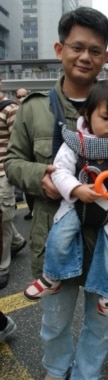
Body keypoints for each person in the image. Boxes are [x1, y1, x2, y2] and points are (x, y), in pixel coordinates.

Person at [5, 7, 108, 380]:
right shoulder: (33, 109)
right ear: (60, 48)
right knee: (55, 319)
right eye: (77, 47)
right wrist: (42, 178)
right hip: (57, 232)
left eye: (95, 50)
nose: (86, 57)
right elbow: (13, 163)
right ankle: (56, 371)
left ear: (105, 57)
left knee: (100, 321)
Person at [24, 80, 108, 326]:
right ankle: (51, 277)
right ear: (88, 114)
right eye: (106, 118)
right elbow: (59, 170)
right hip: (78, 201)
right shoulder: (75, 141)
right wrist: (75, 188)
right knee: (60, 234)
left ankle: (107, 297)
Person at [0, 92, 26, 290]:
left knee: (3, 218)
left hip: (2, 172)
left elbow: (19, 144)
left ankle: (2, 267)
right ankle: (16, 242)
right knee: (4, 218)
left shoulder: (10, 109)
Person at [15, 88, 34, 220]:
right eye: (18, 96)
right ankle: (31, 209)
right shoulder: (13, 111)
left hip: (34, 153)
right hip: (21, 154)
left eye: (24, 95)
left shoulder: (32, 111)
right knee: (26, 186)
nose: (21, 98)